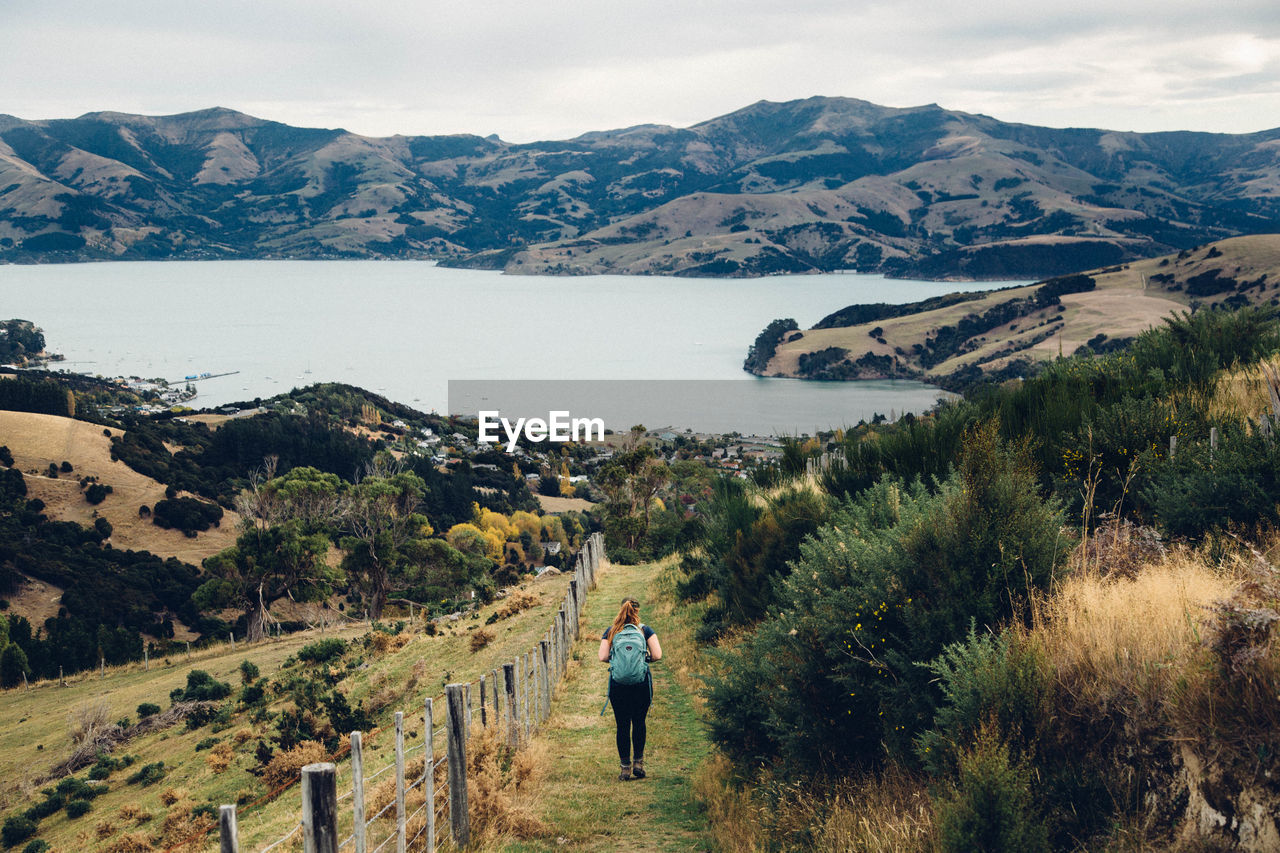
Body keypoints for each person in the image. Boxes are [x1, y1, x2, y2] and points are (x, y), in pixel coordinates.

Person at [599, 597, 662, 781]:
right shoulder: (645, 630)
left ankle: (625, 769)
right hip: (640, 684)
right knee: (639, 723)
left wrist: (619, 660)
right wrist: (643, 659)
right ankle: (638, 764)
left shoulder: (611, 631)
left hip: (618, 686)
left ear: (621, 610)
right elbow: (657, 654)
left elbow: (602, 657)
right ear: (637, 611)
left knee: (622, 725)